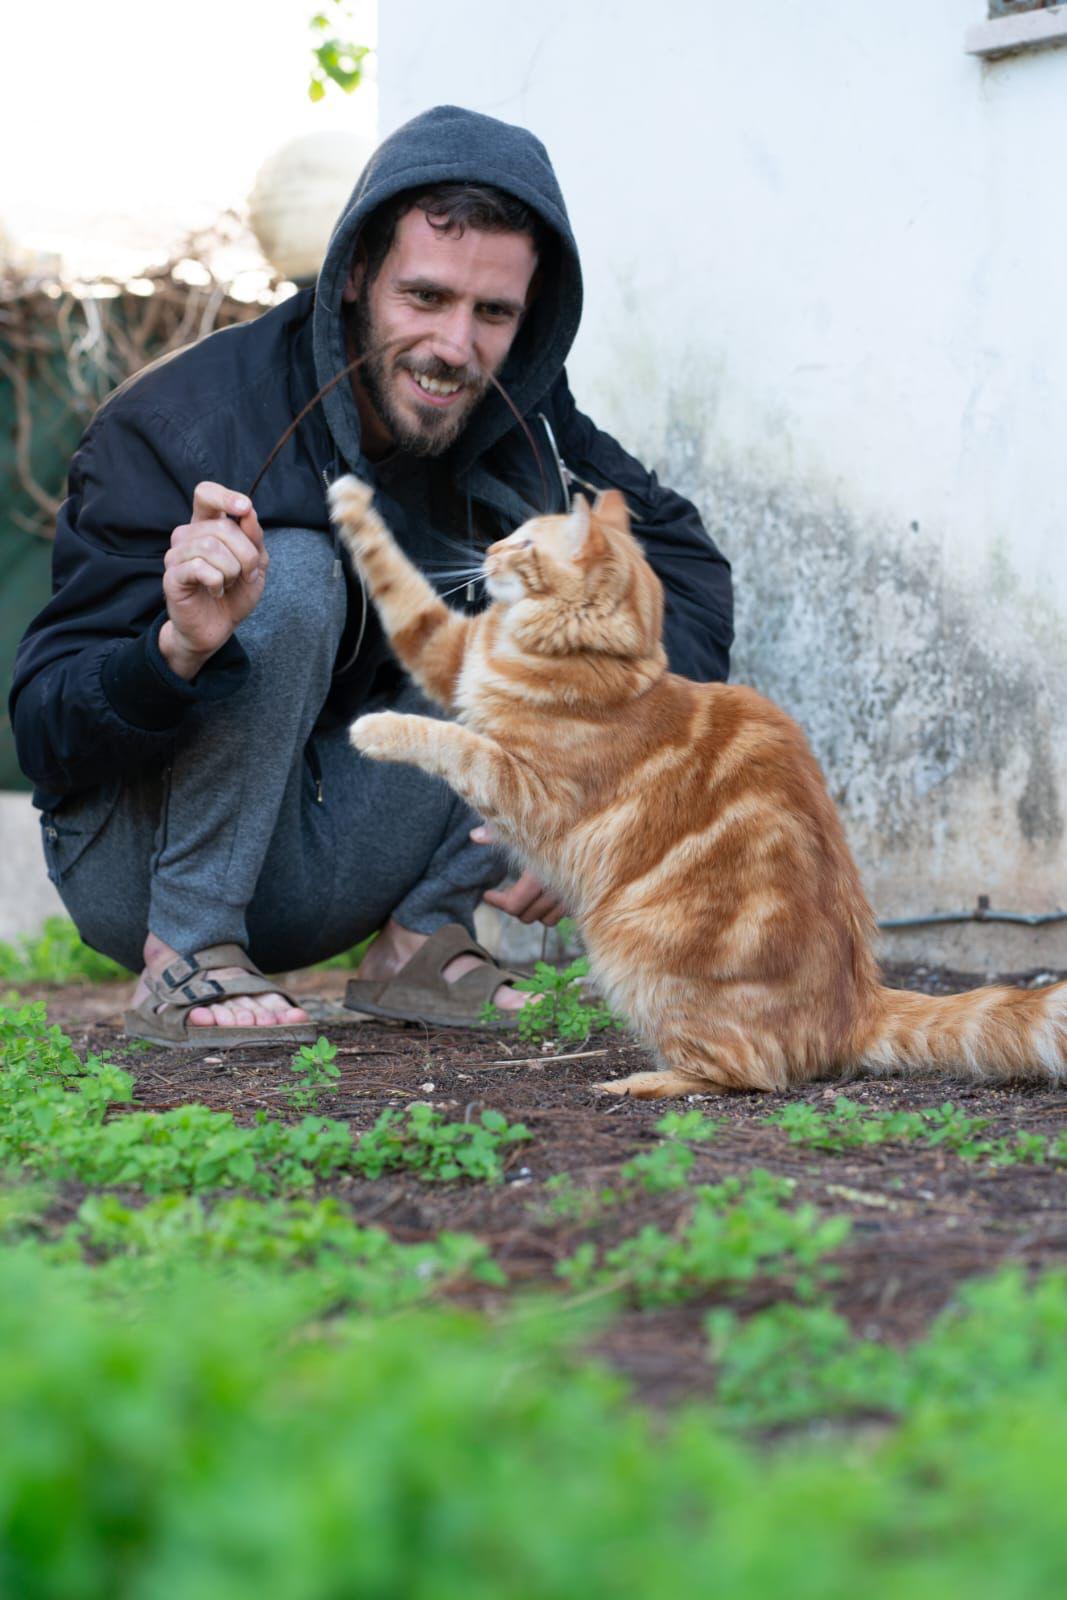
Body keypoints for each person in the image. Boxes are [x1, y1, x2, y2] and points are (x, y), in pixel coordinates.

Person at [9, 104, 734, 1046]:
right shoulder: (183, 420)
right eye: (424, 298)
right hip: (140, 864)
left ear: (531, 313)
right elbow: (45, 731)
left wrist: (609, 773)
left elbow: (677, 564)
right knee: (298, 569)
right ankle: (190, 954)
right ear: (354, 273)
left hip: (336, 847)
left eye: (493, 313)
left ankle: (425, 942)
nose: (453, 347)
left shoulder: (522, 417)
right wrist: (174, 649)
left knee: (525, 585)